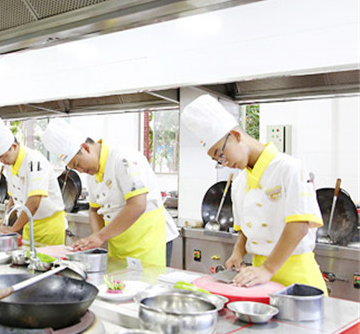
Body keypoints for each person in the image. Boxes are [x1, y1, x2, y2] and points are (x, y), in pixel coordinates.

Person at [182, 94, 327, 291]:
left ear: (236, 136)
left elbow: (299, 225)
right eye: (218, 161)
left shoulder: (289, 167)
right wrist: (238, 252)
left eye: (221, 154)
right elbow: (245, 230)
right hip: (259, 277)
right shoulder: (239, 183)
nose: (224, 163)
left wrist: (268, 268)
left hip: (297, 276)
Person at [41, 119, 166, 267]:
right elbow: (94, 210)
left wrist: (100, 236)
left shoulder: (123, 158)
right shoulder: (93, 176)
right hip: (118, 247)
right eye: (75, 169)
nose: (80, 171)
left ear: (86, 148)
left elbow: (137, 205)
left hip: (145, 244)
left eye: (78, 164)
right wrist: (96, 239)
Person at [0, 113, 66, 245]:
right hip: (29, 224)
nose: (2, 161)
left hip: (49, 227)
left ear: (14, 146)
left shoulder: (34, 161)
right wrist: (4, 220)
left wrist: (13, 229)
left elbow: (34, 201)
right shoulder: (10, 165)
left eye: (3, 156)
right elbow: (13, 198)